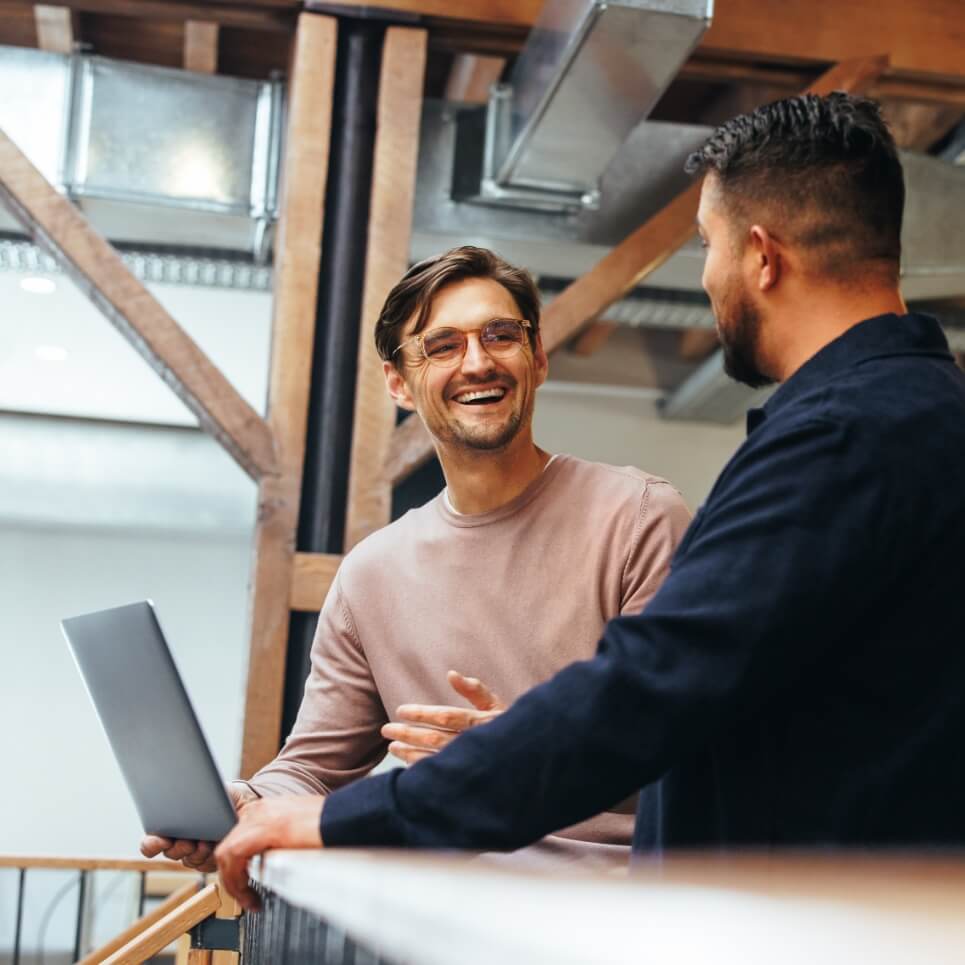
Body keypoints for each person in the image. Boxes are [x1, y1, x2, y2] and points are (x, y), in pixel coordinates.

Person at [215, 92, 965, 910]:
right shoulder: (909, 418)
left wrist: (358, 815)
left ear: (760, 256)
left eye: (707, 246)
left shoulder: (837, 439)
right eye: (442, 345)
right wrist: (267, 803)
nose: (707, 277)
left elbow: (644, 696)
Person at [142, 246, 690, 871]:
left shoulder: (641, 516)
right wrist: (248, 802)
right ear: (398, 382)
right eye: (443, 346)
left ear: (537, 357)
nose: (478, 362)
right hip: (431, 914)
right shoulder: (371, 573)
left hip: (610, 909)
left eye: (501, 335)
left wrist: (526, 749)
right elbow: (314, 770)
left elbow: (685, 736)